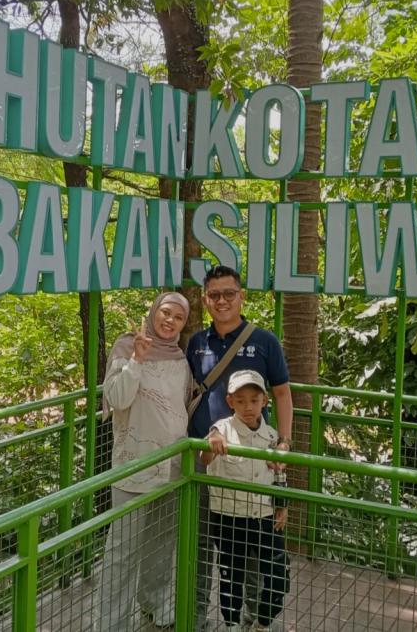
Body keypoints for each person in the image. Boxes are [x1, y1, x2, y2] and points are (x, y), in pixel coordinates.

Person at [186, 265, 293, 628]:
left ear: (241, 296)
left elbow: (282, 393)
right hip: (206, 458)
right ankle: (199, 619)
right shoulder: (197, 343)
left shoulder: (264, 341)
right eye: (214, 295)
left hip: (253, 459)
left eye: (229, 294)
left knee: (253, 548)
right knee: (203, 545)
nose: (222, 301)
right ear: (206, 299)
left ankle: (254, 621)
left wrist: (284, 442)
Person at [94, 292, 192, 632]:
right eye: (165, 312)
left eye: (178, 317)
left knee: (162, 543)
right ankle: (111, 623)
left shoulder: (180, 357)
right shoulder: (127, 346)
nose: (170, 321)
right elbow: (117, 398)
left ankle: (155, 604)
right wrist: (137, 359)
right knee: (122, 550)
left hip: (173, 463)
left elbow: (181, 405)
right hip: (133, 465)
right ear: (153, 312)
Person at [205, 369, 290, 631]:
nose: (248, 407)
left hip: (264, 516)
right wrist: (211, 443)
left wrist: (282, 506)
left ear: (265, 401)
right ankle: (231, 624)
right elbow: (205, 456)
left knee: (279, 573)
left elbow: (279, 475)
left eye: (254, 400)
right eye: (240, 401)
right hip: (229, 517)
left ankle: (262, 623)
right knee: (231, 577)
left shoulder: (272, 437)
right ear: (230, 401)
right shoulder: (221, 429)